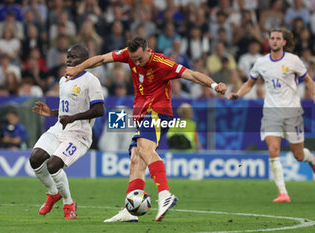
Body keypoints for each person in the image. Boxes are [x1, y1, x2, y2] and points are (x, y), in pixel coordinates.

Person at [66, 37, 226, 222]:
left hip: (158, 112)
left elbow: (192, 74)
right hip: (142, 114)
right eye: (133, 59)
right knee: (136, 158)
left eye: (140, 59)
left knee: (144, 148)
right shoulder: (129, 55)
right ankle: (128, 210)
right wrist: (78, 68)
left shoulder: (163, 64)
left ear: (147, 50)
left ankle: (165, 194)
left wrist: (214, 85)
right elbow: (101, 59)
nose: (136, 63)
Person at [228, 28, 315, 203]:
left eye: (277, 38)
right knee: (273, 150)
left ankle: (311, 158)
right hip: (271, 113)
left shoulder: (293, 61)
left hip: (292, 112)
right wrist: (238, 93)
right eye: (271, 38)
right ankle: (283, 193)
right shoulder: (261, 63)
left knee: (298, 155)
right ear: (268, 41)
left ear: (284, 42)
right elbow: (249, 83)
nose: (274, 41)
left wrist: (313, 96)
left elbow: (308, 81)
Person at [29, 44, 104, 219]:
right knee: (35, 158)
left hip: (79, 134)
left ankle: (68, 203)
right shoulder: (64, 79)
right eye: (68, 56)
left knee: (53, 164)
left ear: (85, 61)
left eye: (74, 57)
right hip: (60, 128)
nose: (69, 60)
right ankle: (53, 192)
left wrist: (73, 118)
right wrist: (51, 113)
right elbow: (66, 112)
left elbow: (100, 110)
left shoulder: (91, 80)